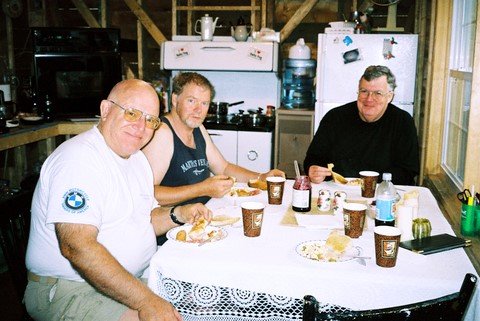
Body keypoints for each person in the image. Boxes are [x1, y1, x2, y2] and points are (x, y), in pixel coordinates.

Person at [24, 79, 211, 321]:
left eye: (151, 120)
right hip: (71, 290)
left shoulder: (136, 159)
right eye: (132, 113)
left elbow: (144, 219)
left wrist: (180, 213)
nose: (140, 126)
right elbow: (77, 247)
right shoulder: (79, 159)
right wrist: (146, 300)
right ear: (105, 110)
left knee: (200, 299)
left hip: (129, 279)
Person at [142, 72, 284, 207]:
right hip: (175, 224)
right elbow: (147, 194)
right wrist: (202, 189)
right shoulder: (162, 133)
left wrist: (260, 177)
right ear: (175, 99)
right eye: (191, 101)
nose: (198, 109)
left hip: (201, 215)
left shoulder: (198, 128)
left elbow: (223, 168)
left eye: (204, 103)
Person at [304, 65, 419, 186]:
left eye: (378, 93)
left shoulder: (402, 121)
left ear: (389, 96)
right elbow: (313, 158)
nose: (369, 99)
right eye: (364, 91)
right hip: (337, 191)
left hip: (382, 193)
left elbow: (408, 171)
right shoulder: (335, 117)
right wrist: (313, 170)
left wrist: (370, 182)